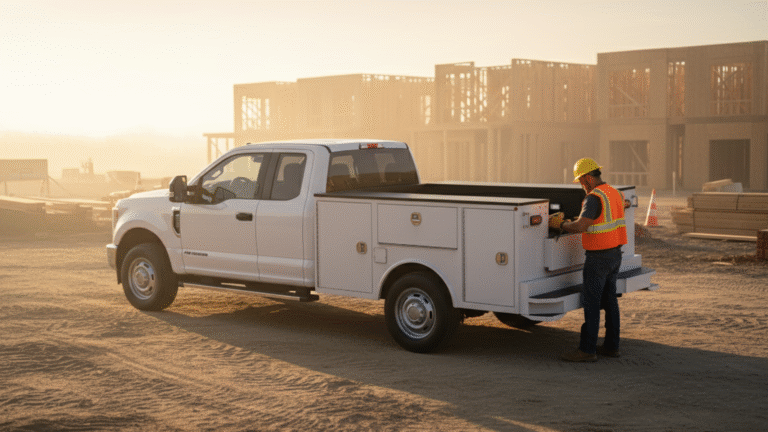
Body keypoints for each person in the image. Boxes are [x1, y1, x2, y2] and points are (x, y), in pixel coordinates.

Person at [549, 158, 628, 362]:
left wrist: (560, 224)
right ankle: (612, 346)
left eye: (581, 181)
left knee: (591, 303)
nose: (582, 186)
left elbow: (580, 226)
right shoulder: (615, 193)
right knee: (610, 301)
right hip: (615, 254)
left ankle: (587, 350)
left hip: (598, 257)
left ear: (587, 178)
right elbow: (613, 213)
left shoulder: (594, 198)